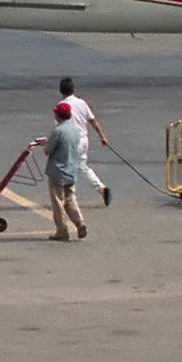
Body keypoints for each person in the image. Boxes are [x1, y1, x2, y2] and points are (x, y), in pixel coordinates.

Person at [32, 101, 87, 241]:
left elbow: (48, 151)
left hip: (58, 170)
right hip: (71, 169)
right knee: (70, 199)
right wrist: (49, 140)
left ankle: (62, 231)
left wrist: (47, 143)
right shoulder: (75, 129)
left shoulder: (58, 130)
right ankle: (79, 222)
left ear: (58, 116)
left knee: (57, 201)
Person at [58, 76, 111, 206]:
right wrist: (101, 136)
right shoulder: (81, 103)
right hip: (84, 139)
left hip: (71, 140)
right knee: (83, 167)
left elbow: (59, 127)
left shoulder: (61, 106)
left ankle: (70, 197)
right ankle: (100, 188)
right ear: (74, 89)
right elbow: (92, 120)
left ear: (60, 91)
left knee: (68, 168)